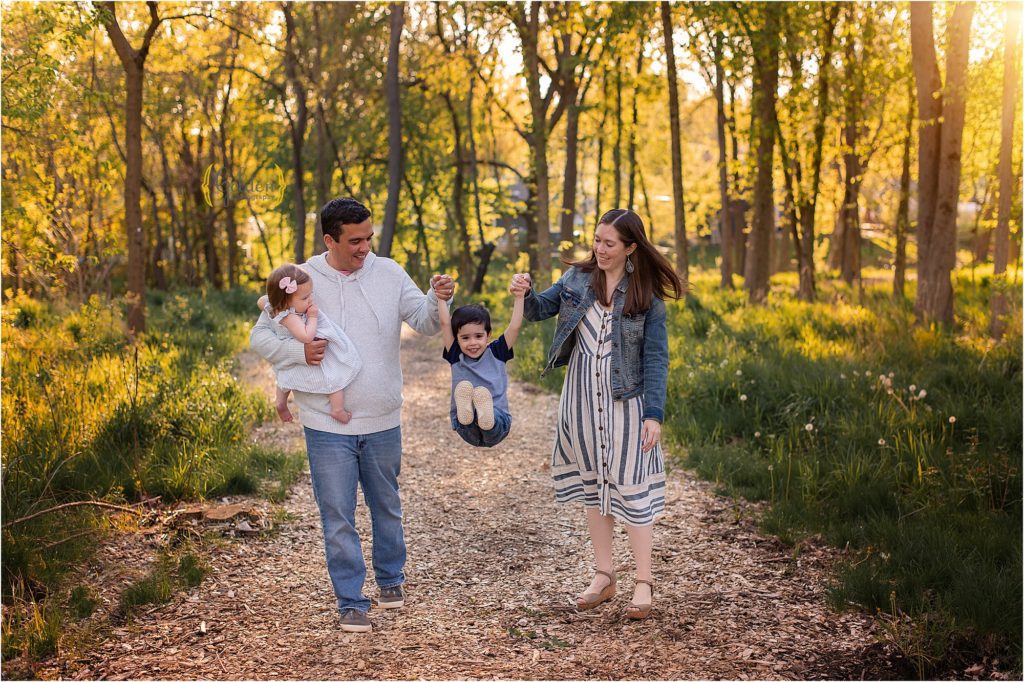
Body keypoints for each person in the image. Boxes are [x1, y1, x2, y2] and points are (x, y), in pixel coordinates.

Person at [250, 198, 455, 633]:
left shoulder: (389, 273)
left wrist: (438, 297)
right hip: (325, 422)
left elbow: (424, 323)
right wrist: (300, 352)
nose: (365, 247)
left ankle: (391, 578)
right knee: (337, 516)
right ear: (330, 239)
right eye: (355, 241)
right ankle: (350, 601)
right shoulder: (301, 278)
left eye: (369, 238)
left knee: (387, 506)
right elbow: (261, 337)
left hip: (382, 417)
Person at [517, 208, 683, 620]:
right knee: (594, 484)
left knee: (631, 486)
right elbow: (538, 310)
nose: (600, 249)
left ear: (631, 248)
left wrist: (654, 414)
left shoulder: (646, 296)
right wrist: (524, 291)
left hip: (626, 401)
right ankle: (604, 575)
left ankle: (643, 581)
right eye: (596, 240)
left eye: (609, 243)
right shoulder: (577, 279)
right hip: (581, 397)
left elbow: (656, 359)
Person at [256, 263, 361, 424]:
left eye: (310, 294)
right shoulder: (290, 318)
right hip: (301, 352)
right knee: (334, 374)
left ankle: (281, 403)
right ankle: (337, 409)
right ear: (286, 301)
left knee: (284, 378)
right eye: (305, 298)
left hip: (289, 359)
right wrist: (312, 317)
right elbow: (306, 337)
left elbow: (261, 300)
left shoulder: (277, 309)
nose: (310, 300)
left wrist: (271, 306)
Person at [437, 282, 526, 448]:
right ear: (456, 338)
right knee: (466, 417)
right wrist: (441, 298)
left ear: (488, 335)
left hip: (497, 420)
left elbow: (515, 326)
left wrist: (520, 297)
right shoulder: (456, 353)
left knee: (490, 417)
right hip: (467, 427)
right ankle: (470, 413)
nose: (473, 343)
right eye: (465, 338)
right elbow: (445, 324)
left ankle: (484, 415)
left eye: (478, 336)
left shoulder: (497, 351)